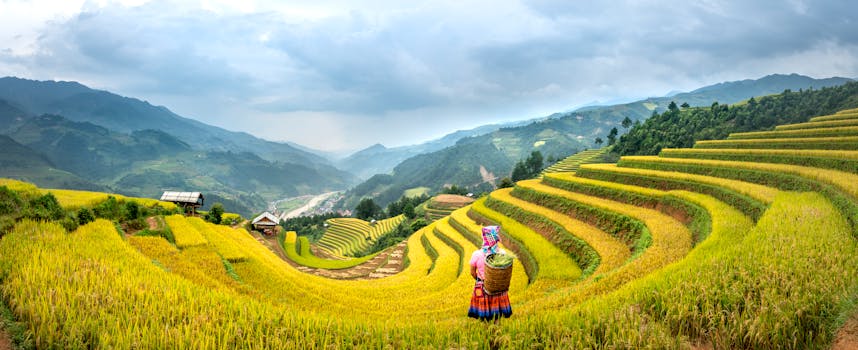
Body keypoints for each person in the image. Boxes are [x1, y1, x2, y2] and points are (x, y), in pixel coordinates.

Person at [467, 225, 512, 321]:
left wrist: (481, 280)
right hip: (498, 287)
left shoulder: (477, 254)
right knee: (497, 316)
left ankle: (487, 332)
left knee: (484, 317)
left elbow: (472, 272)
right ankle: (497, 332)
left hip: (483, 287)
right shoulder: (502, 254)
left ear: (484, 238)